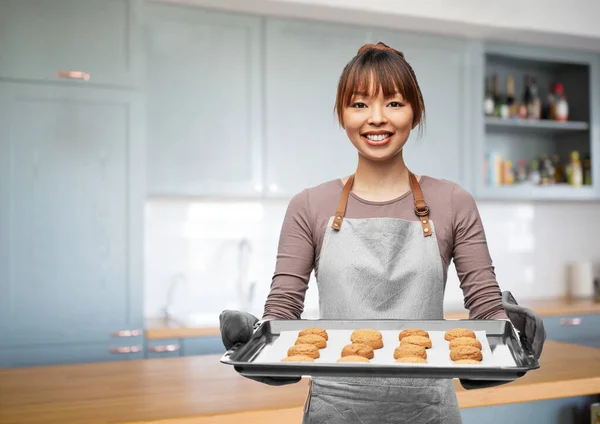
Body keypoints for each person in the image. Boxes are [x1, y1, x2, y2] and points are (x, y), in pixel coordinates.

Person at [219, 42, 546, 423]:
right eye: (359, 104)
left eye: (393, 103)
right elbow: (282, 317)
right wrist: (254, 338)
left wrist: (512, 334)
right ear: (342, 115)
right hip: (333, 412)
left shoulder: (454, 201)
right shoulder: (308, 205)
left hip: (429, 413)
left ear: (415, 112)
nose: (376, 118)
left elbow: (487, 313)